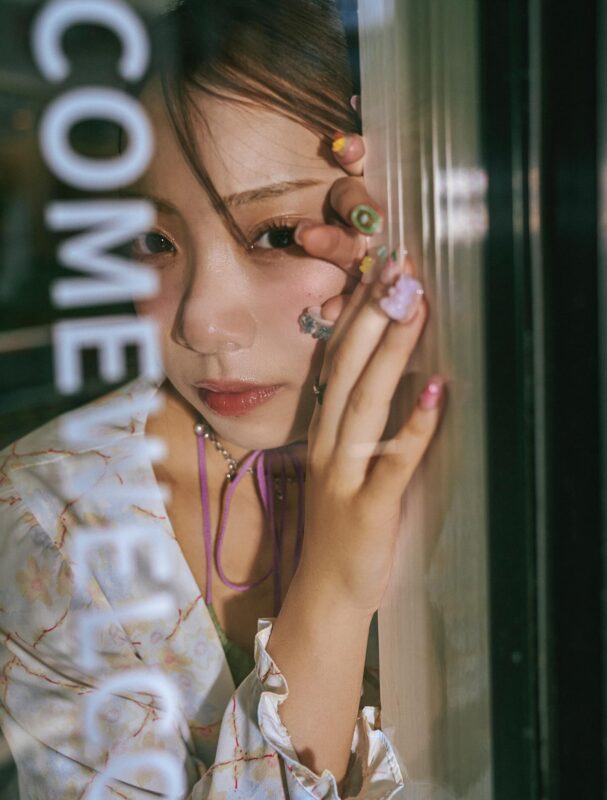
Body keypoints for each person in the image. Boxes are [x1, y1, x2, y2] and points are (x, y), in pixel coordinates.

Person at [0, 1, 444, 797]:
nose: (201, 321)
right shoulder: (54, 517)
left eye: (277, 235)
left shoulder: (499, 445)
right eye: (156, 242)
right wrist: (334, 592)